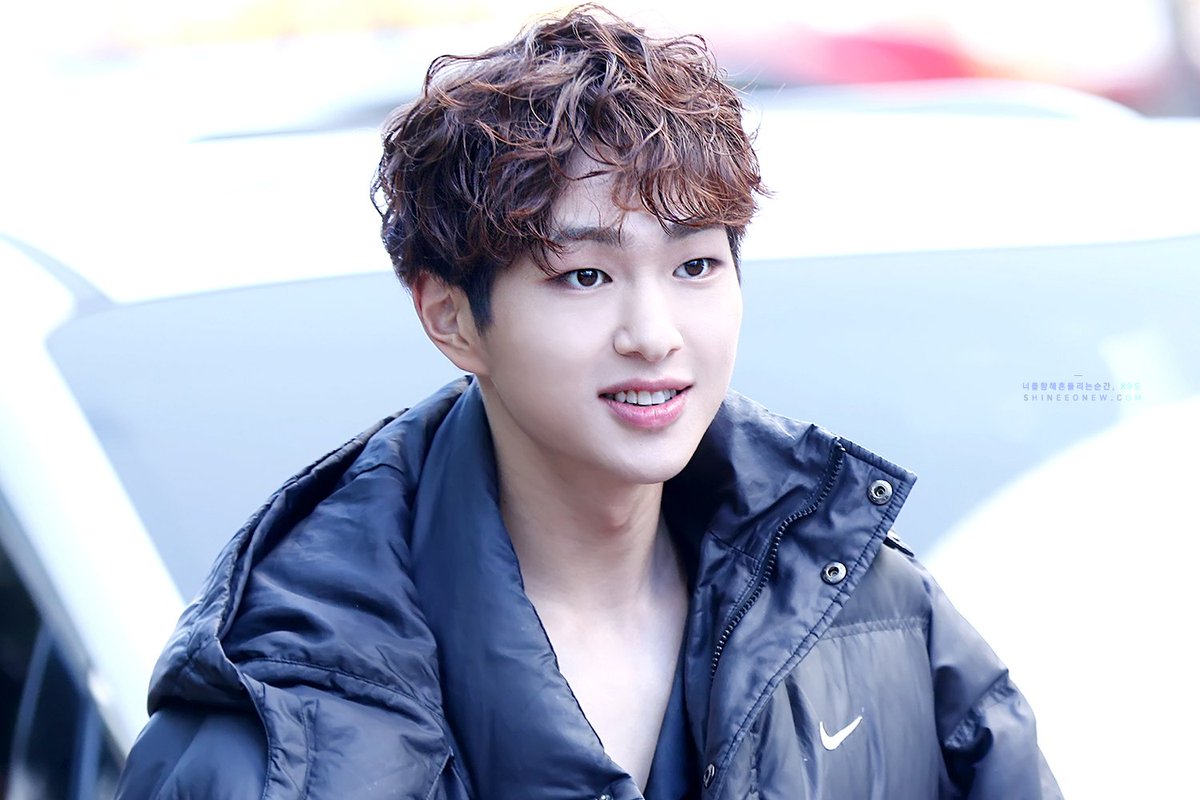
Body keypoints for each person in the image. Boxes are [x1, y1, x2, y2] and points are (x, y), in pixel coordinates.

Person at [115, 6, 1061, 799]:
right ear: (451, 318)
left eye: (696, 266)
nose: (654, 333)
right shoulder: (282, 722)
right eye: (583, 276)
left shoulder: (871, 619)